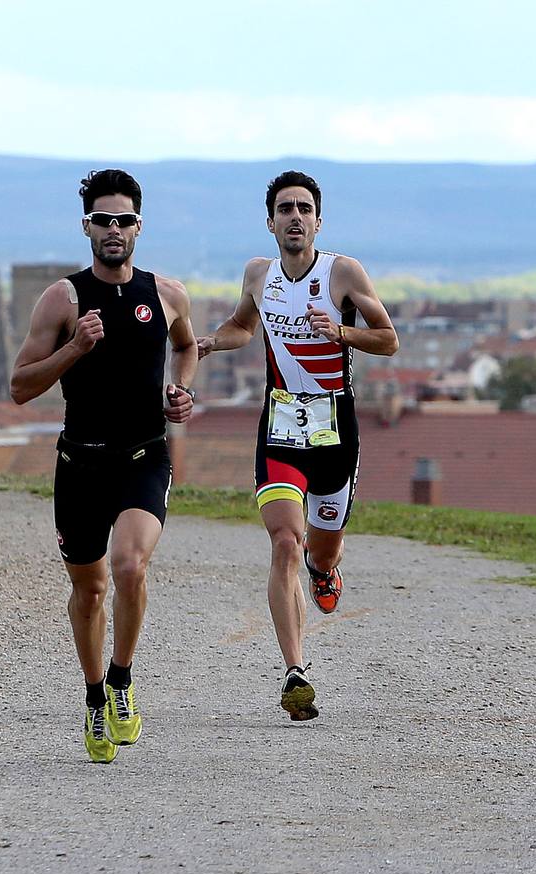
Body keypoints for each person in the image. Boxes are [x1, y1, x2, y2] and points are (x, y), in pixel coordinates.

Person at [11, 169, 198, 762]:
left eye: (124, 220)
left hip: (144, 456)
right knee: (89, 592)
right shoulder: (62, 299)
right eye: (103, 220)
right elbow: (18, 387)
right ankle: (94, 697)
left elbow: (187, 346)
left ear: (139, 226)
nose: (113, 230)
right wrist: (74, 349)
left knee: (130, 565)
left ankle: (121, 681)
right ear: (87, 226)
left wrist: (180, 389)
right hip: (80, 465)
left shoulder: (166, 294)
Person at [196, 170, 398, 721]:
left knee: (321, 547)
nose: (294, 217)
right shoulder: (258, 274)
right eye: (284, 209)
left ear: (317, 220)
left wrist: (342, 333)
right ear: (270, 221)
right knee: (285, 539)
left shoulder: (343, 272)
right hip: (281, 426)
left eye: (304, 208)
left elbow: (389, 339)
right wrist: (214, 341)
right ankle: (295, 671)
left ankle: (324, 568)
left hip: (336, 428)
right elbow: (244, 325)